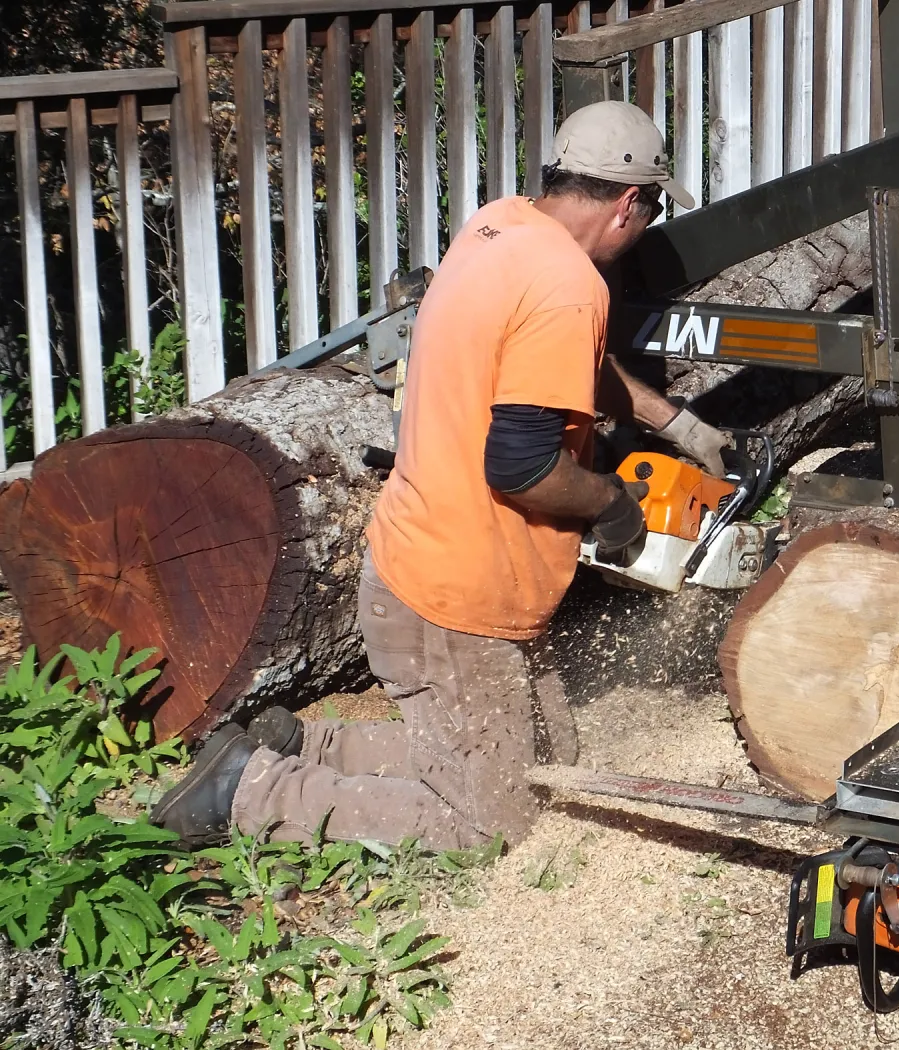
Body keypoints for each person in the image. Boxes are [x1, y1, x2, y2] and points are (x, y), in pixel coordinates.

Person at [153, 101, 724, 851]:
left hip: (434, 558)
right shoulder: (568, 284)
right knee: (491, 823)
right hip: (454, 599)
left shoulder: (502, 225)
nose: (646, 222)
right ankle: (247, 793)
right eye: (651, 208)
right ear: (628, 203)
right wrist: (609, 504)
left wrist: (671, 421)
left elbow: (562, 366)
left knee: (551, 760)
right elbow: (521, 468)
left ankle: (302, 747)